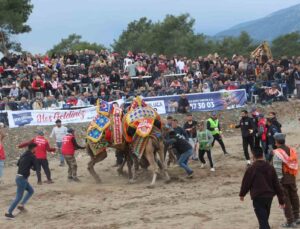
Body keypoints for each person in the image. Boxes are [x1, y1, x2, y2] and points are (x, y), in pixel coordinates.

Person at [239, 147, 285, 229]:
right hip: (269, 197)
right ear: (262, 155)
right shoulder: (270, 167)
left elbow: (246, 183)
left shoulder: (251, 169)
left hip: (258, 197)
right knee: (264, 219)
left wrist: (242, 194)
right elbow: (277, 184)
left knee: (263, 221)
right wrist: (281, 200)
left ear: (253, 156)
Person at [5, 143, 39, 219]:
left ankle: (21, 205)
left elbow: (18, 164)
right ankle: (9, 213)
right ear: (33, 148)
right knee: (18, 196)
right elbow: (36, 168)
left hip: (19, 177)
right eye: (36, 148)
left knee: (31, 191)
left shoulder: (23, 154)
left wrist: (27, 165)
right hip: (22, 179)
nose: (36, 150)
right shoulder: (32, 156)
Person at [272, 133, 300, 228]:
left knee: (285, 200)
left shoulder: (277, 153)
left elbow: (277, 169)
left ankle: (290, 221)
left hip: (283, 180)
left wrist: (278, 182)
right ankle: (297, 217)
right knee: (294, 197)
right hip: (292, 177)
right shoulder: (291, 150)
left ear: (276, 142)